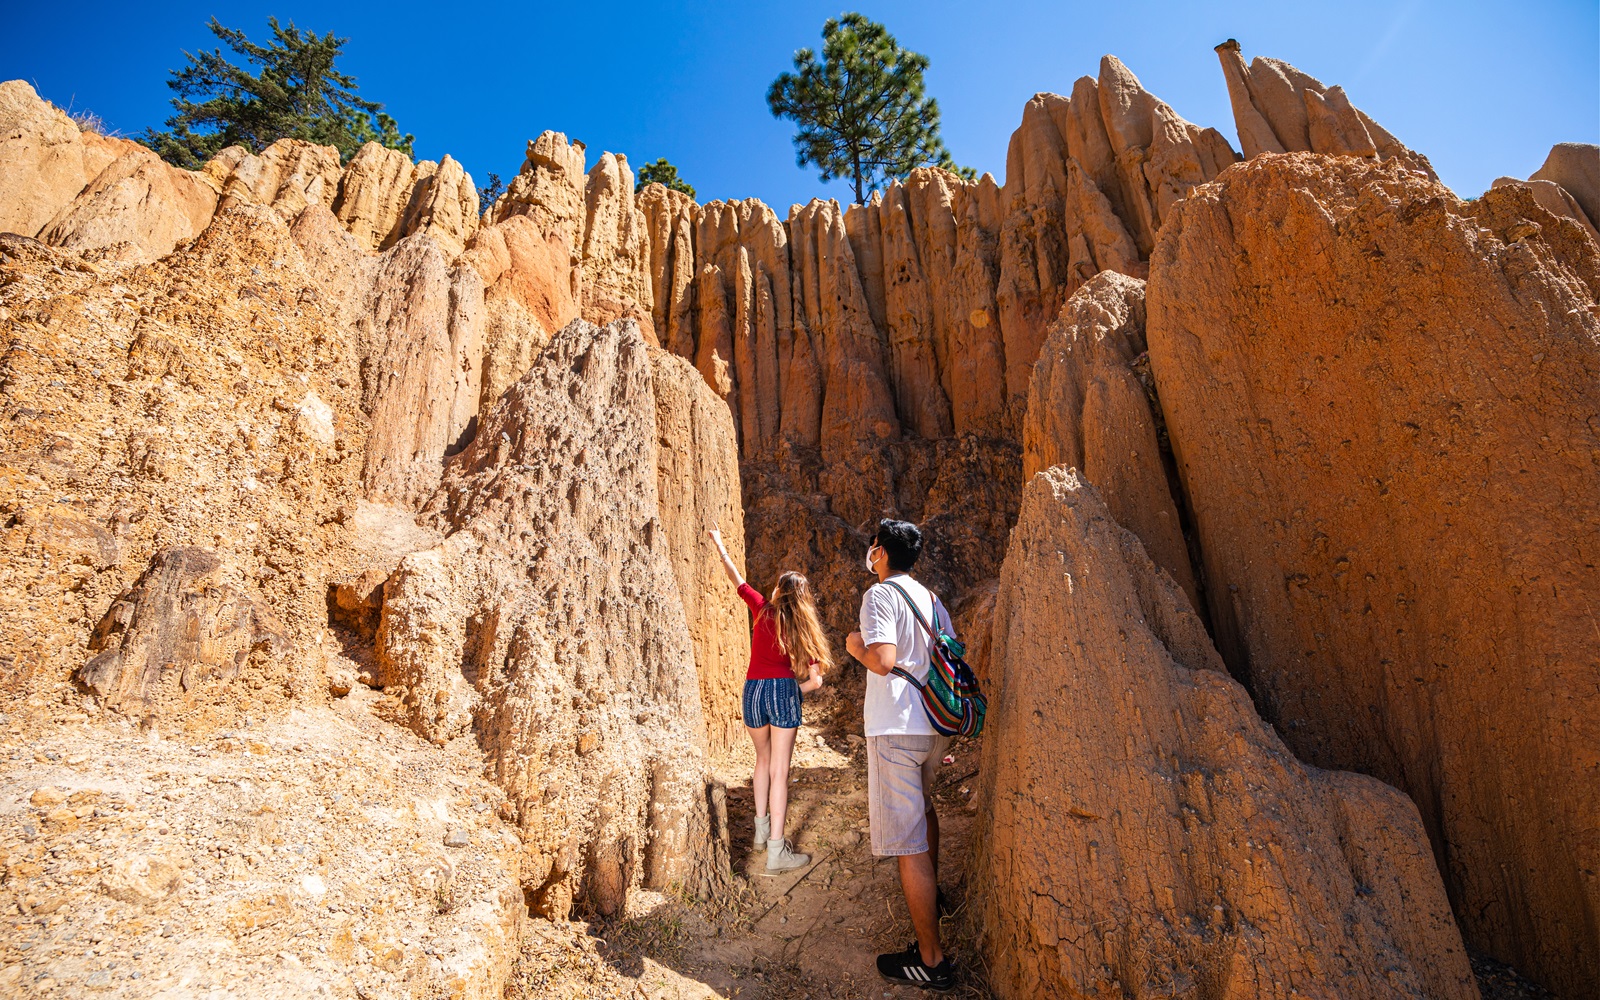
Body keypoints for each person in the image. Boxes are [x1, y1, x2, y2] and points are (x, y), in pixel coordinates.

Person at [847, 518, 956, 991]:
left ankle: (931, 961)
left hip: (896, 728)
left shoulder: (881, 595)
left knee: (907, 842)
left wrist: (855, 646)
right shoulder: (932, 599)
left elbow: (884, 659)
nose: (869, 554)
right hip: (934, 727)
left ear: (882, 553)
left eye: (873, 547)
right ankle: (935, 899)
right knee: (926, 811)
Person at [707, 525, 829, 873]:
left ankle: (760, 833)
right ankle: (777, 851)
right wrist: (793, 690)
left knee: (761, 760)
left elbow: (737, 578)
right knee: (780, 770)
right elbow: (815, 682)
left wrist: (720, 544)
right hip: (780, 693)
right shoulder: (805, 630)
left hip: (752, 692)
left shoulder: (761, 608)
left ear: (779, 591)